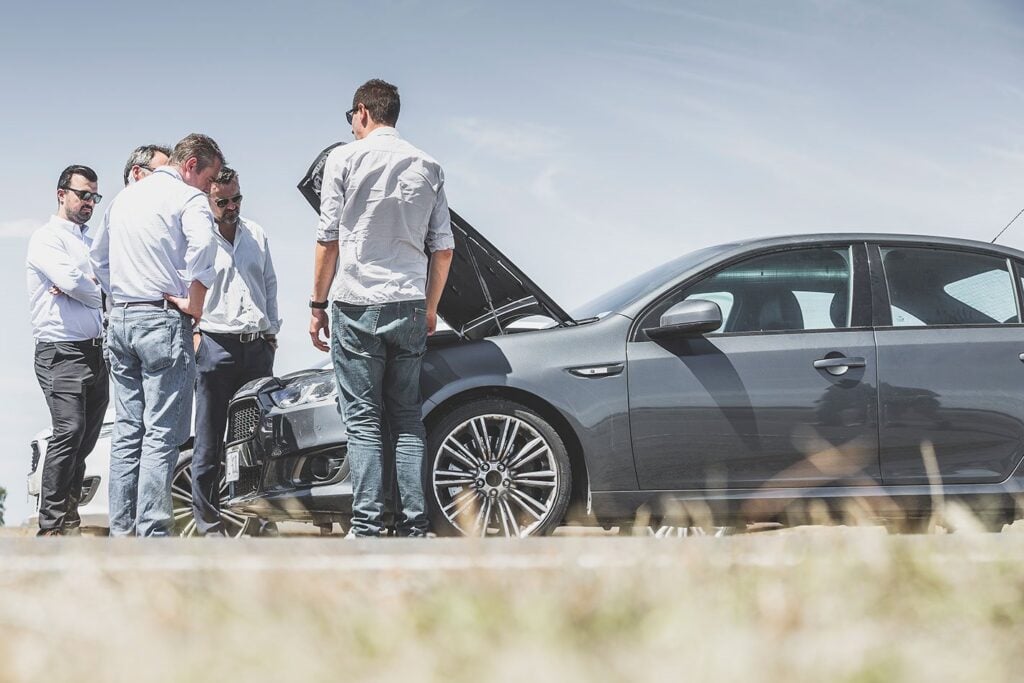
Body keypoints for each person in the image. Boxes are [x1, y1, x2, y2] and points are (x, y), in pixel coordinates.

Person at [309, 79, 455, 537]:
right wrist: (430, 310)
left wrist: (317, 306)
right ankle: (416, 526)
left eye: (352, 119)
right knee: (408, 418)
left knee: (365, 419)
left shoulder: (344, 158)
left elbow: (327, 238)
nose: (352, 127)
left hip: (357, 303)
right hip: (410, 303)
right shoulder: (428, 165)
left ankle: (368, 526)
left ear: (362, 113)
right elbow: (444, 249)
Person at [92, 133, 223, 537]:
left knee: (128, 432)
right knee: (162, 433)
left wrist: (125, 292)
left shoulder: (123, 198)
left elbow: (98, 259)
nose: (210, 187)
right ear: (191, 165)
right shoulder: (188, 199)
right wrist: (194, 301)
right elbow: (206, 250)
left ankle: (121, 532)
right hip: (162, 321)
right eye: (209, 177)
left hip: (122, 321)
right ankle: (153, 534)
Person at [191, 167, 280, 536]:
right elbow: (187, 286)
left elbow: (269, 283)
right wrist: (196, 335)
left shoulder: (255, 234)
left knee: (259, 441)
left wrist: (271, 331)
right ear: (208, 200)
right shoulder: (199, 238)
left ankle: (261, 521)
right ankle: (209, 528)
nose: (231, 207)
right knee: (209, 444)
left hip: (256, 349)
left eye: (236, 198)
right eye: (222, 201)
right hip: (215, 347)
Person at [26, 165, 109, 536]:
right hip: (60, 353)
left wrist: (89, 287)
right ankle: (51, 527)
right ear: (62, 194)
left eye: (94, 196)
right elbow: (74, 281)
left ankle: (70, 521)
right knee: (69, 431)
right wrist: (93, 288)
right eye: (83, 195)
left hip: (96, 353)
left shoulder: (91, 242)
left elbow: (102, 281)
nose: (89, 202)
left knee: (85, 440)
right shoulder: (46, 238)